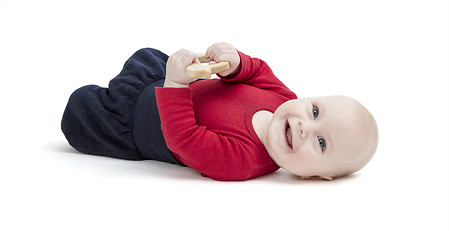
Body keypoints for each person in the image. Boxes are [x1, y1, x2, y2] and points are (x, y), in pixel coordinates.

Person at [61, 42, 378, 181]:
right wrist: (236, 62)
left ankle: (108, 101)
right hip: (157, 79)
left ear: (313, 177)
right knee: (149, 54)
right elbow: (257, 72)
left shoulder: (243, 162)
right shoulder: (284, 97)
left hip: (132, 124)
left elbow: (184, 139)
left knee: (79, 110)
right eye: (314, 111)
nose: (307, 127)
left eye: (321, 143)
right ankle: (140, 80)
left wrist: (174, 85)